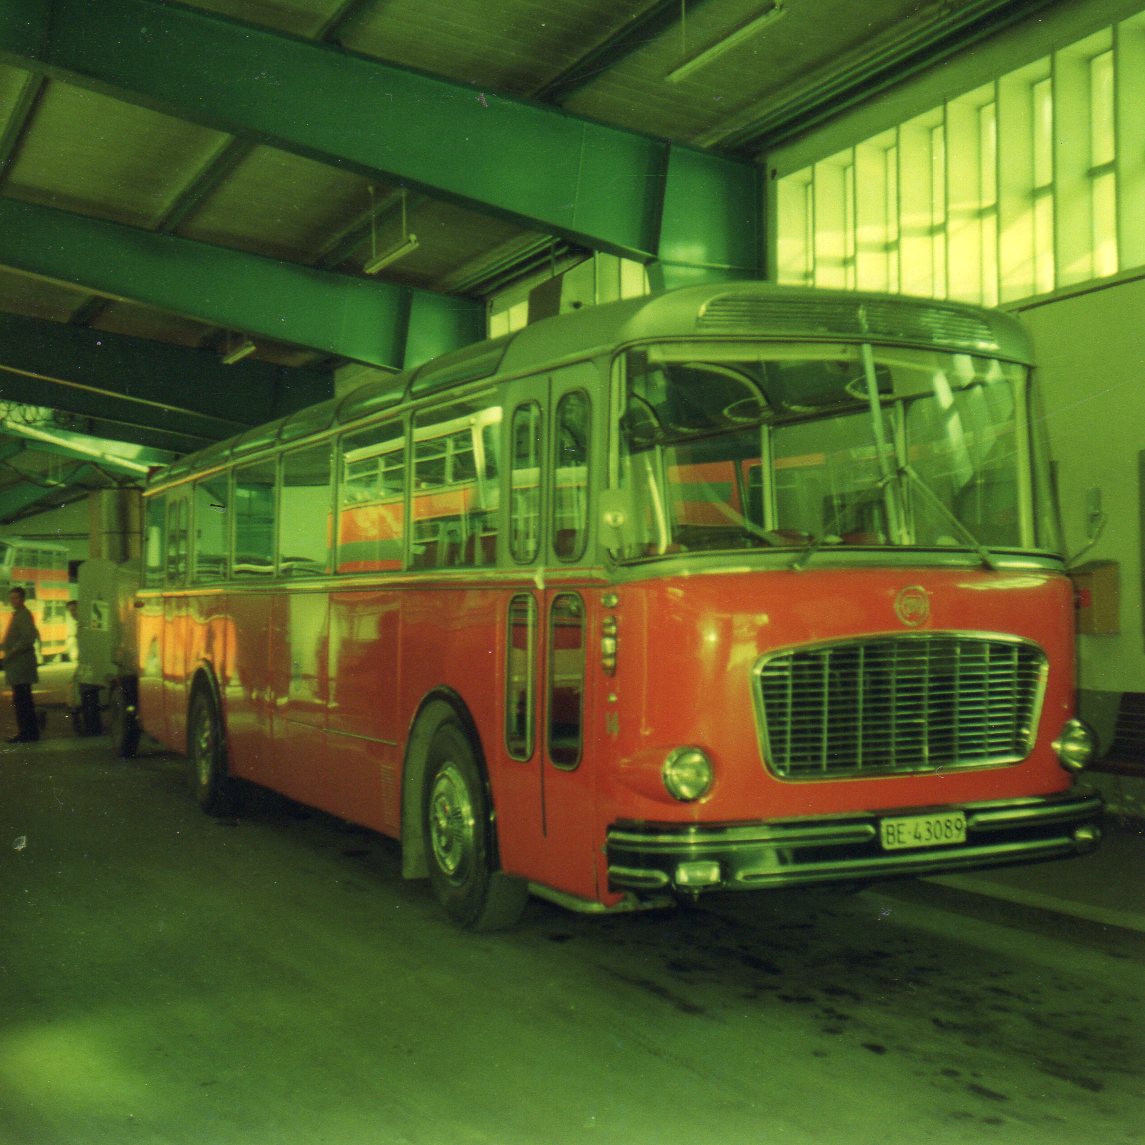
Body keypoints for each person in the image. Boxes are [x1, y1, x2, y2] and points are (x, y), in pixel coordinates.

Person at [3, 586, 41, 743]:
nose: (13, 601)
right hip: (19, 667)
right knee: (23, 700)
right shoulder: (18, 615)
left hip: (21, 666)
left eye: (16, 598)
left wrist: (11, 653)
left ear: (23, 599)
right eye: (11, 598)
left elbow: (27, 639)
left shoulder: (24, 615)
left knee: (22, 702)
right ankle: (29, 733)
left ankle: (27, 733)